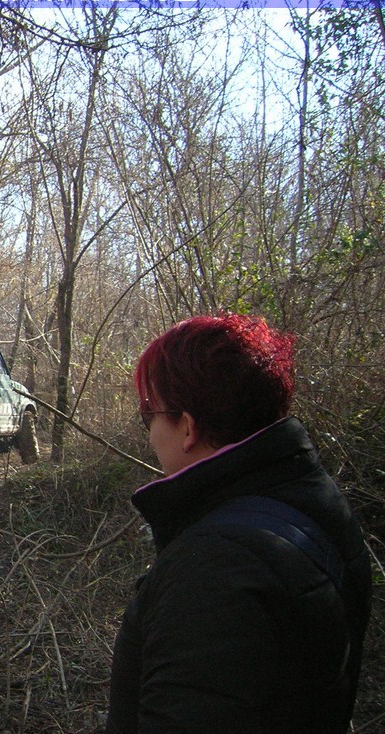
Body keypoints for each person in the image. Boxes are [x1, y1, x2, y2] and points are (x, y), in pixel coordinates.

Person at [107, 314, 371, 734]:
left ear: (188, 428)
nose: (150, 435)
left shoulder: (215, 569)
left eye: (149, 416)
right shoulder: (314, 501)